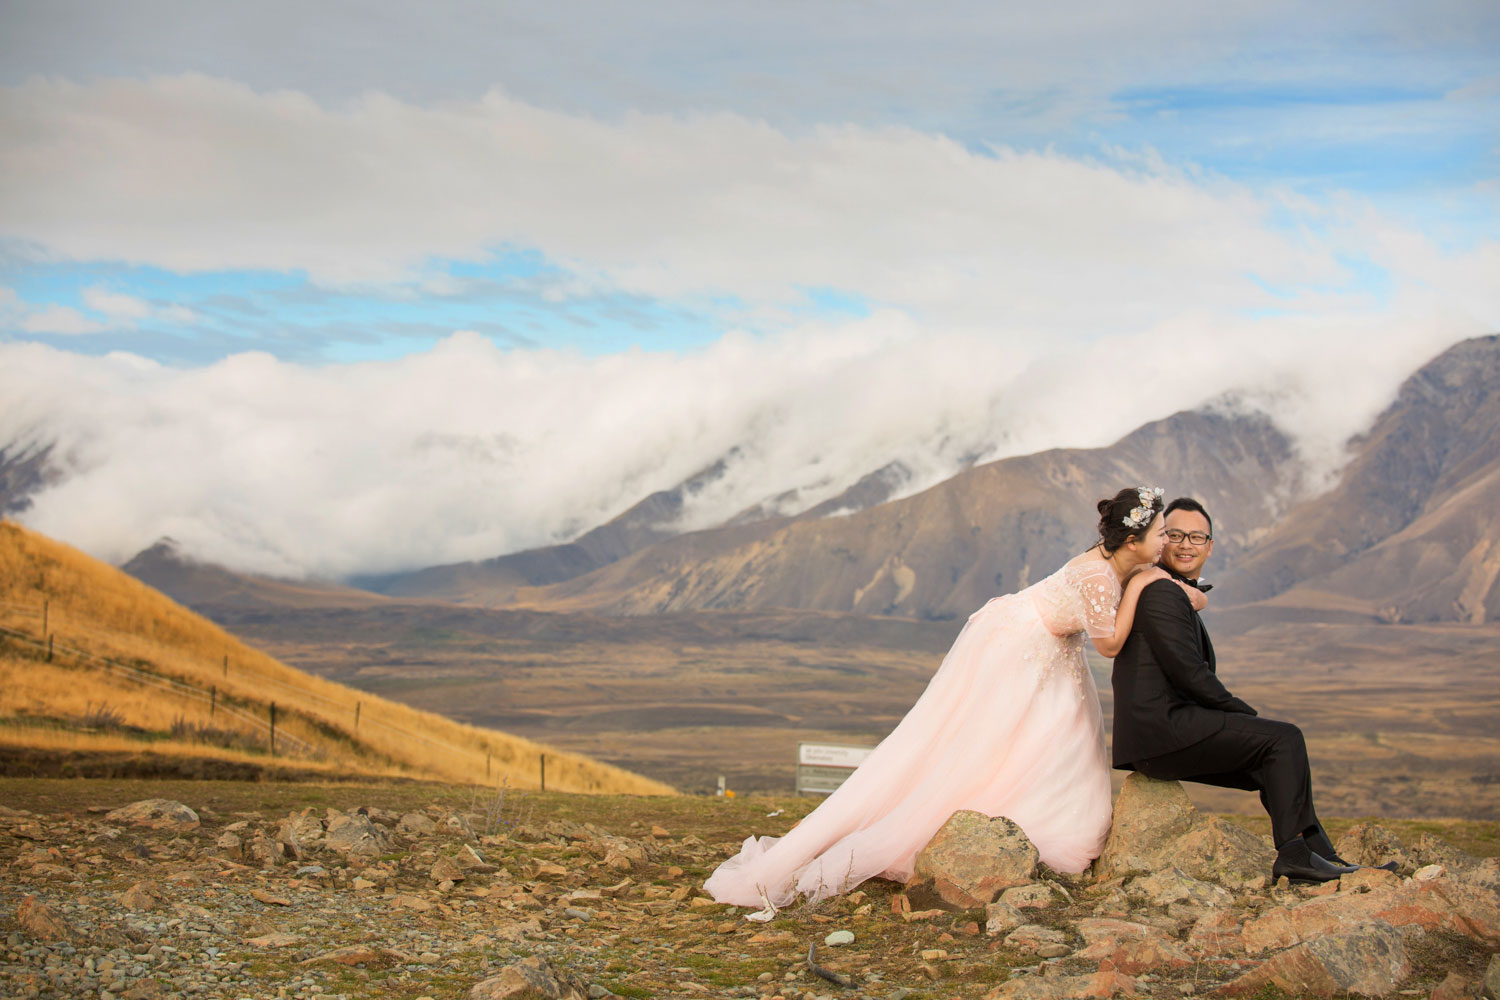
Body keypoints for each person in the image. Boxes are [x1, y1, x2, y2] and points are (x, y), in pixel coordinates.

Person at [705, 486, 1202, 911]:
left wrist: (1160, 583)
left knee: (1056, 734)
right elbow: (1111, 644)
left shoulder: (1119, 565)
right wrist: (1147, 585)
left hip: (1049, 646)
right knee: (989, 740)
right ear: (1133, 540)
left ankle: (1035, 817)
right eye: (1161, 533)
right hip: (1021, 643)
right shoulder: (1101, 576)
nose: (1169, 540)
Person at [1110, 496, 1362, 884]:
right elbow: (1189, 673)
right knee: (1283, 740)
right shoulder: (1160, 592)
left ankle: (1315, 854)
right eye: (1174, 534)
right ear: (1160, 542)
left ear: (1210, 546)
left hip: (1164, 730)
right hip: (1160, 729)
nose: (1186, 544)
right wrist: (1244, 715)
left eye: (1197, 536)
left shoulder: (1171, 589)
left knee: (1271, 758)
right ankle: (1297, 855)